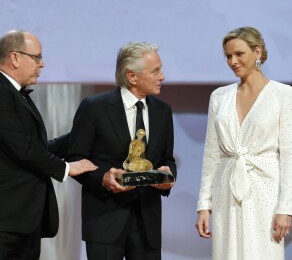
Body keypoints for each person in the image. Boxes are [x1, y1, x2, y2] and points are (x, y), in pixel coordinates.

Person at [195, 26, 292, 260]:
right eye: (228, 56)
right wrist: (204, 204)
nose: (233, 61)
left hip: (265, 191)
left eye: (239, 54)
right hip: (225, 189)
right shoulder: (219, 97)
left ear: (258, 52)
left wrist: (286, 209)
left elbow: (290, 157)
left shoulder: (284, 95)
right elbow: (212, 154)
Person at [67, 41, 177, 260]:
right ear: (132, 76)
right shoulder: (94, 107)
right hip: (104, 222)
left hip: (147, 226)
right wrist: (103, 179)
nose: (162, 76)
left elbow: (168, 159)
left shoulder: (162, 111)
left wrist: (168, 178)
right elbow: (75, 157)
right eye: (155, 71)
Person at [0, 30, 98, 260]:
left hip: (22, 221)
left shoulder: (16, 94)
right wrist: (67, 168)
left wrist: (82, 135)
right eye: (36, 58)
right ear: (15, 58)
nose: (42, 64)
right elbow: (24, 148)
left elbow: (36, 147)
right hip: (6, 222)